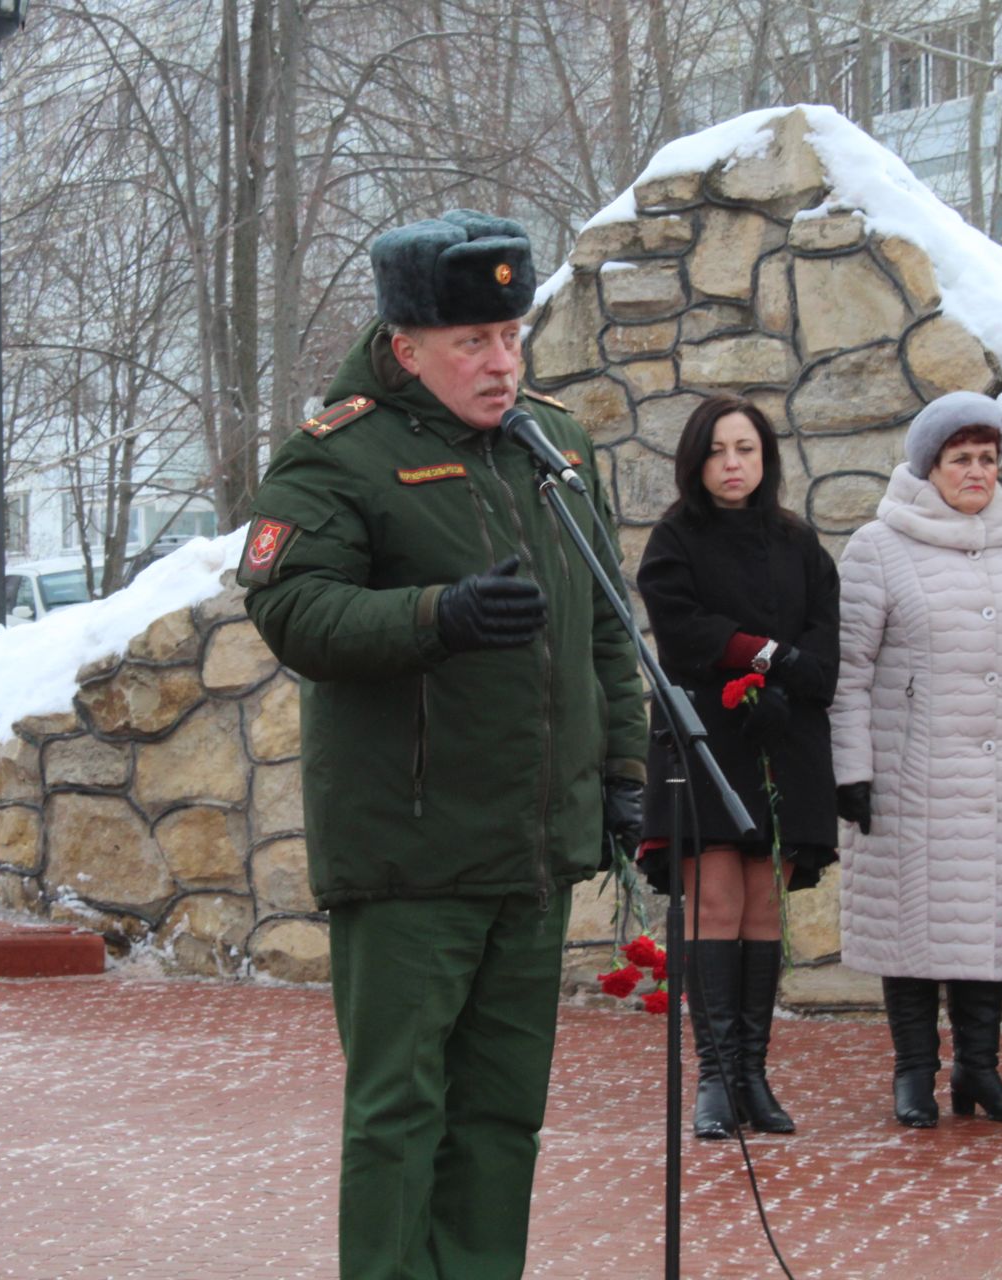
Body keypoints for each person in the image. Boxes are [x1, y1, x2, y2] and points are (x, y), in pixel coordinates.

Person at [239, 209, 648, 1279]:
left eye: (511, 335)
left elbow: (606, 622)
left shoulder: (557, 444)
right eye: (472, 342)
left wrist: (624, 774)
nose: (500, 362)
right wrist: (434, 617)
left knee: (504, 1112)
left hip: (530, 846)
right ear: (406, 344)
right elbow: (293, 613)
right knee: (400, 1111)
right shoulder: (339, 455)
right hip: (411, 848)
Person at [830, 392, 1002, 1127]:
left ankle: (981, 1070)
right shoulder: (878, 546)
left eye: (987, 459)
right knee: (910, 929)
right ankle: (913, 1073)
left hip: (1000, 779)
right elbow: (847, 670)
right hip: (910, 777)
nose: (977, 472)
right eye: (961, 459)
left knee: (988, 927)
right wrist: (852, 770)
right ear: (930, 465)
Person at [634, 395, 839, 1139]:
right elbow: (681, 628)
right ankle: (715, 1079)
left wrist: (783, 683)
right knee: (716, 902)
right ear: (696, 460)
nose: (733, 464)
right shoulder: (675, 538)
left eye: (746, 449)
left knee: (762, 908)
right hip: (705, 741)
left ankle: (754, 1075)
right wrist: (762, 655)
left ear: (765, 458)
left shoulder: (799, 543)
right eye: (719, 450)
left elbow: (823, 648)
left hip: (782, 742)